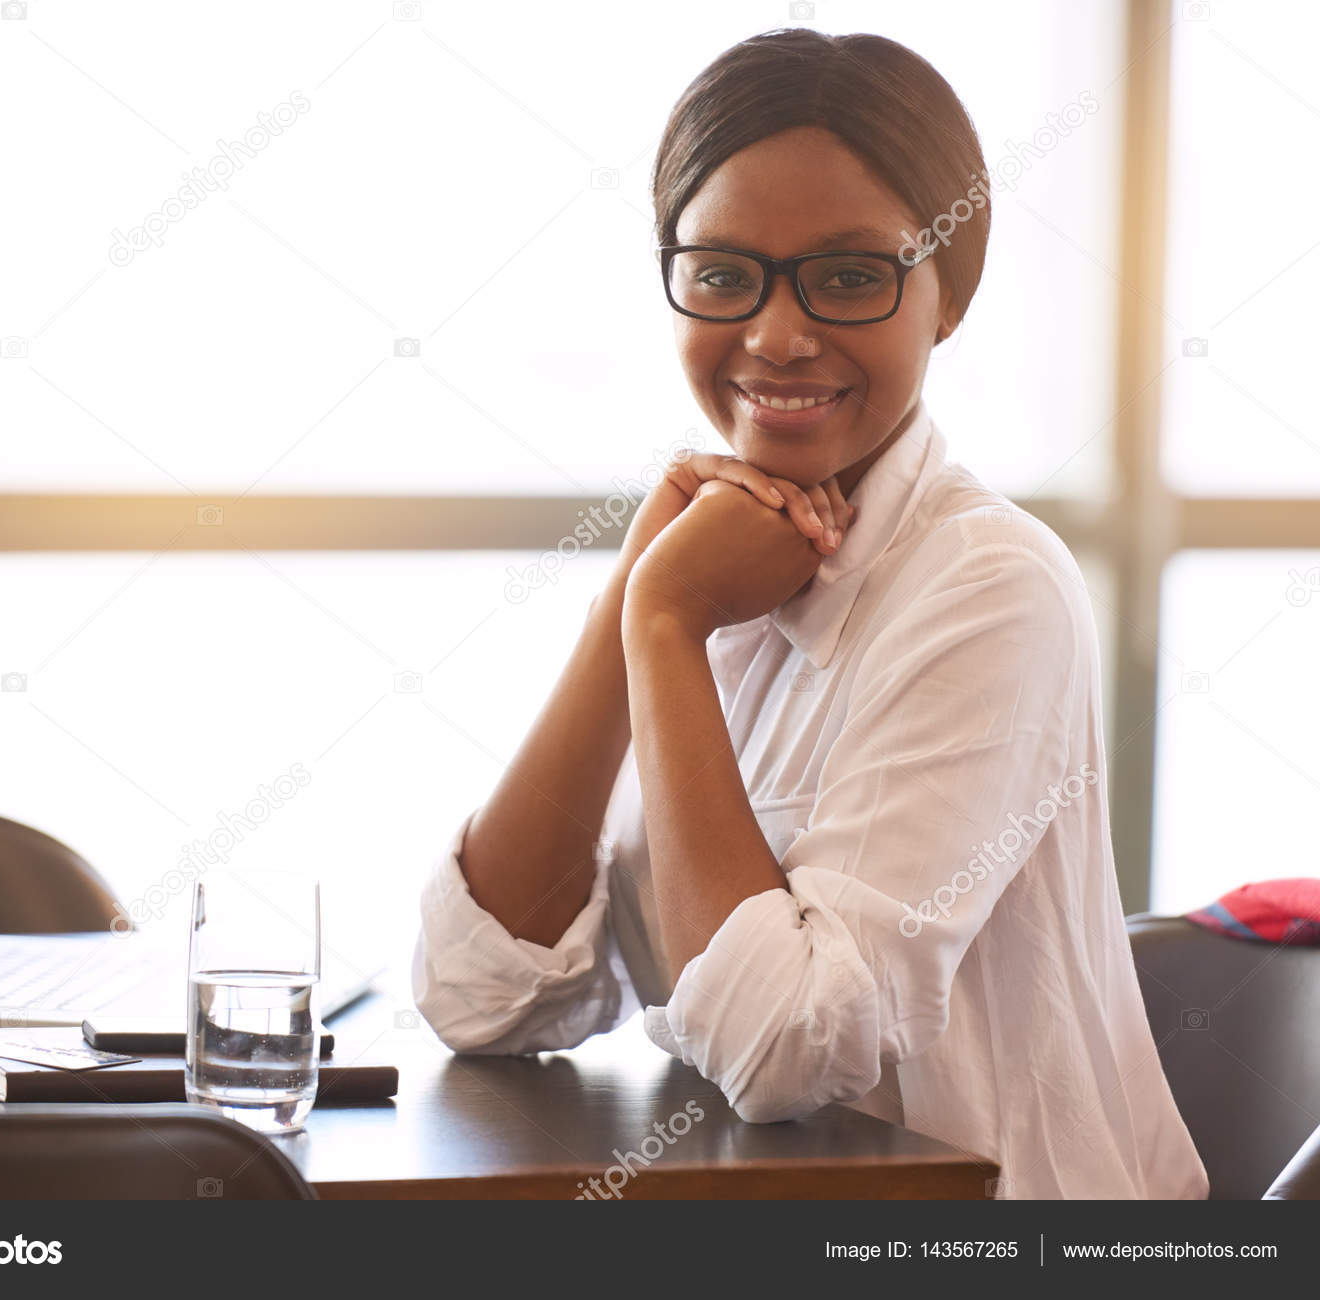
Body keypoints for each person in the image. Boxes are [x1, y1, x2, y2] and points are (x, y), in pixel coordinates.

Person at [411, 27, 1207, 1199]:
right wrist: (633, 604)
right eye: (725, 273)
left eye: (847, 276)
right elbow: (479, 998)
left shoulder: (991, 588)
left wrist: (666, 621)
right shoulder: (710, 563)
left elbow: (785, 1050)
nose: (777, 333)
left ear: (949, 294)